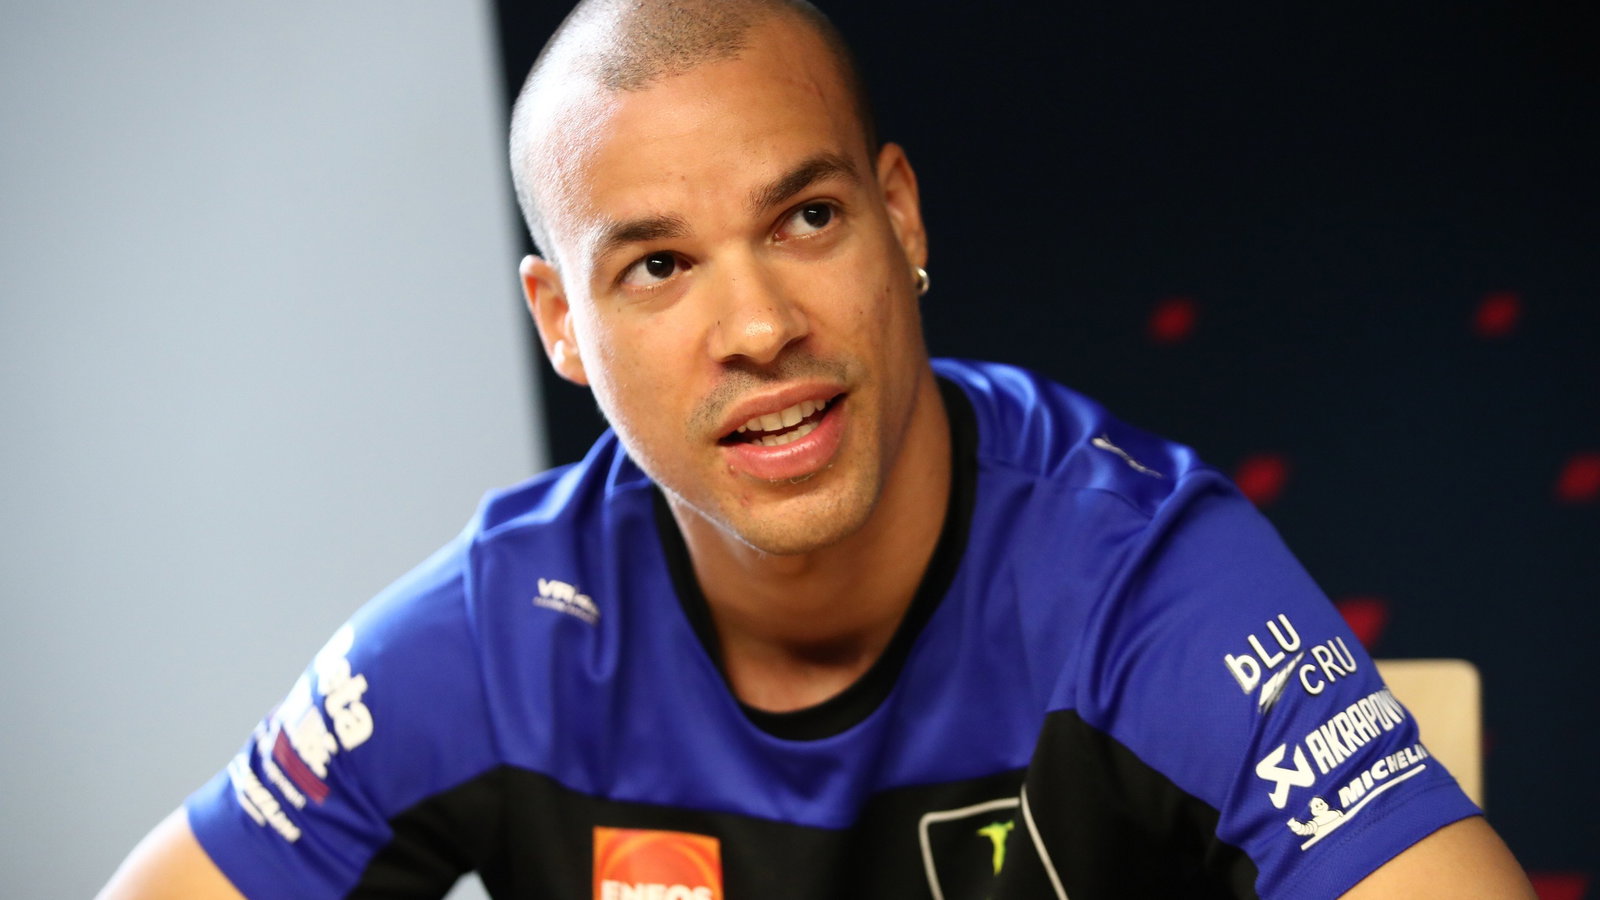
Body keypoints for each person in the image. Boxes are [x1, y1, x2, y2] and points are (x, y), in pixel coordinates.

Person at [99, 1, 1536, 897]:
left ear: (899, 220)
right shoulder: (505, 630)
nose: (758, 327)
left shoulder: (1141, 579)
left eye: (805, 219)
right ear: (563, 323)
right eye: (658, 267)